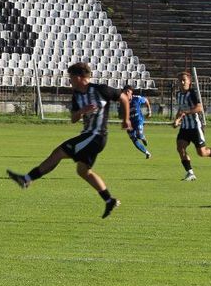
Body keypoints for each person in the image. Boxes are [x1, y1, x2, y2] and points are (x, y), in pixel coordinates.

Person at [7, 62, 130, 218]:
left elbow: (124, 98)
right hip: (89, 136)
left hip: (95, 136)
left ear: (79, 77)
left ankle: (26, 179)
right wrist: (81, 111)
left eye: (70, 77)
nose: (69, 81)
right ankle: (109, 200)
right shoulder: (77, 95)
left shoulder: (101, 90)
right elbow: (73, 119)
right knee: (83, 171)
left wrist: (126, 120)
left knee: (59, 152)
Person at [174, 70, 211, 181]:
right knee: (180, 148)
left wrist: (186, 113)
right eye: (180, 80)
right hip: (184, 127)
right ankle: (190, 173)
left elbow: (199, 108)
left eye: (184, 80)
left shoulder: (192, 93)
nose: (182, 82)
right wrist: (177, 120)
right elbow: (180, 108)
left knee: (202, 153)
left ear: (189, 81)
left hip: (195, 127)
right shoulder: (178, 94)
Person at [121, 84, 152, 159]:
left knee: (139, 135)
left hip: (138, 120)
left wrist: (149, 111)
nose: (126, 93)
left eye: (128, 91)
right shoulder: (123, 102)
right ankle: (146, 152)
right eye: (125, 92)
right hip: (129, 123)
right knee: (133, 139)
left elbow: (146, 100)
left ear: (131, 92)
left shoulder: (137, 99)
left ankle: (143, 137)